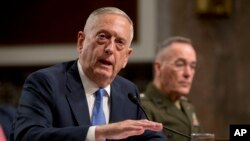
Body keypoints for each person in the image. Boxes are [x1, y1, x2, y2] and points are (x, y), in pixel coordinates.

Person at [11, 7, 167, 141]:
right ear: (81, 42)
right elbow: (27, 136)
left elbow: (152, 136)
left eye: (119, 42)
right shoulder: (46, 83)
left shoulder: (127, 92)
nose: (110, 48)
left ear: (126, 57)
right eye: (102, 37)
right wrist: (99, 132)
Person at [140, 36, 202, 141]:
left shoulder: (187, 106)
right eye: (180, 64)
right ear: (159, 68)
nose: (188, 73)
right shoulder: (143, 107)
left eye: (192, 66)